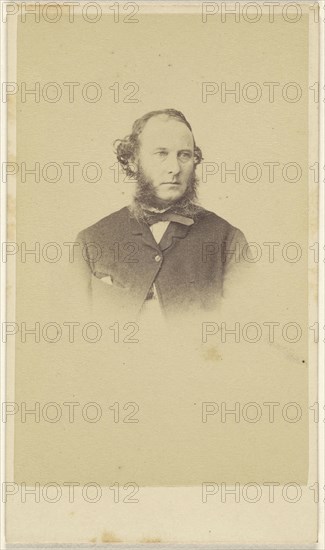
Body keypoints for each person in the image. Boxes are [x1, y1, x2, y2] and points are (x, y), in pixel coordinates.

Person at [75, 109, 250, 318]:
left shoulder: (228, 239)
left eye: (184, 155)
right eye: (161, 154)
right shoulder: (90, 241)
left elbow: (248, 328)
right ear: (133, 160)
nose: (174, 168)